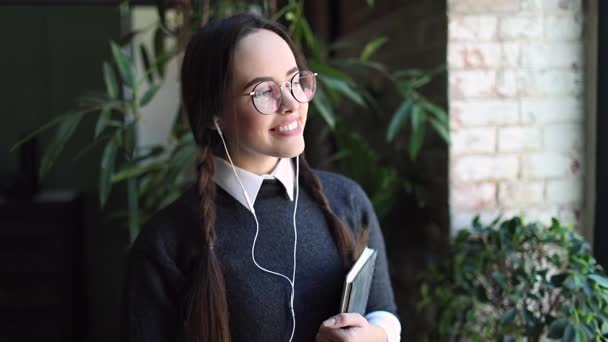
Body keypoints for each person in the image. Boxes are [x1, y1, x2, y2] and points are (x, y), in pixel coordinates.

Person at [120, 13, 401, 342]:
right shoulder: (167, 242)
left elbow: (384, 313)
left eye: (295, 81)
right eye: (263, 92)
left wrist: (375, 336)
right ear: (214, 115)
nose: (291, 102)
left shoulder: (346, 200)